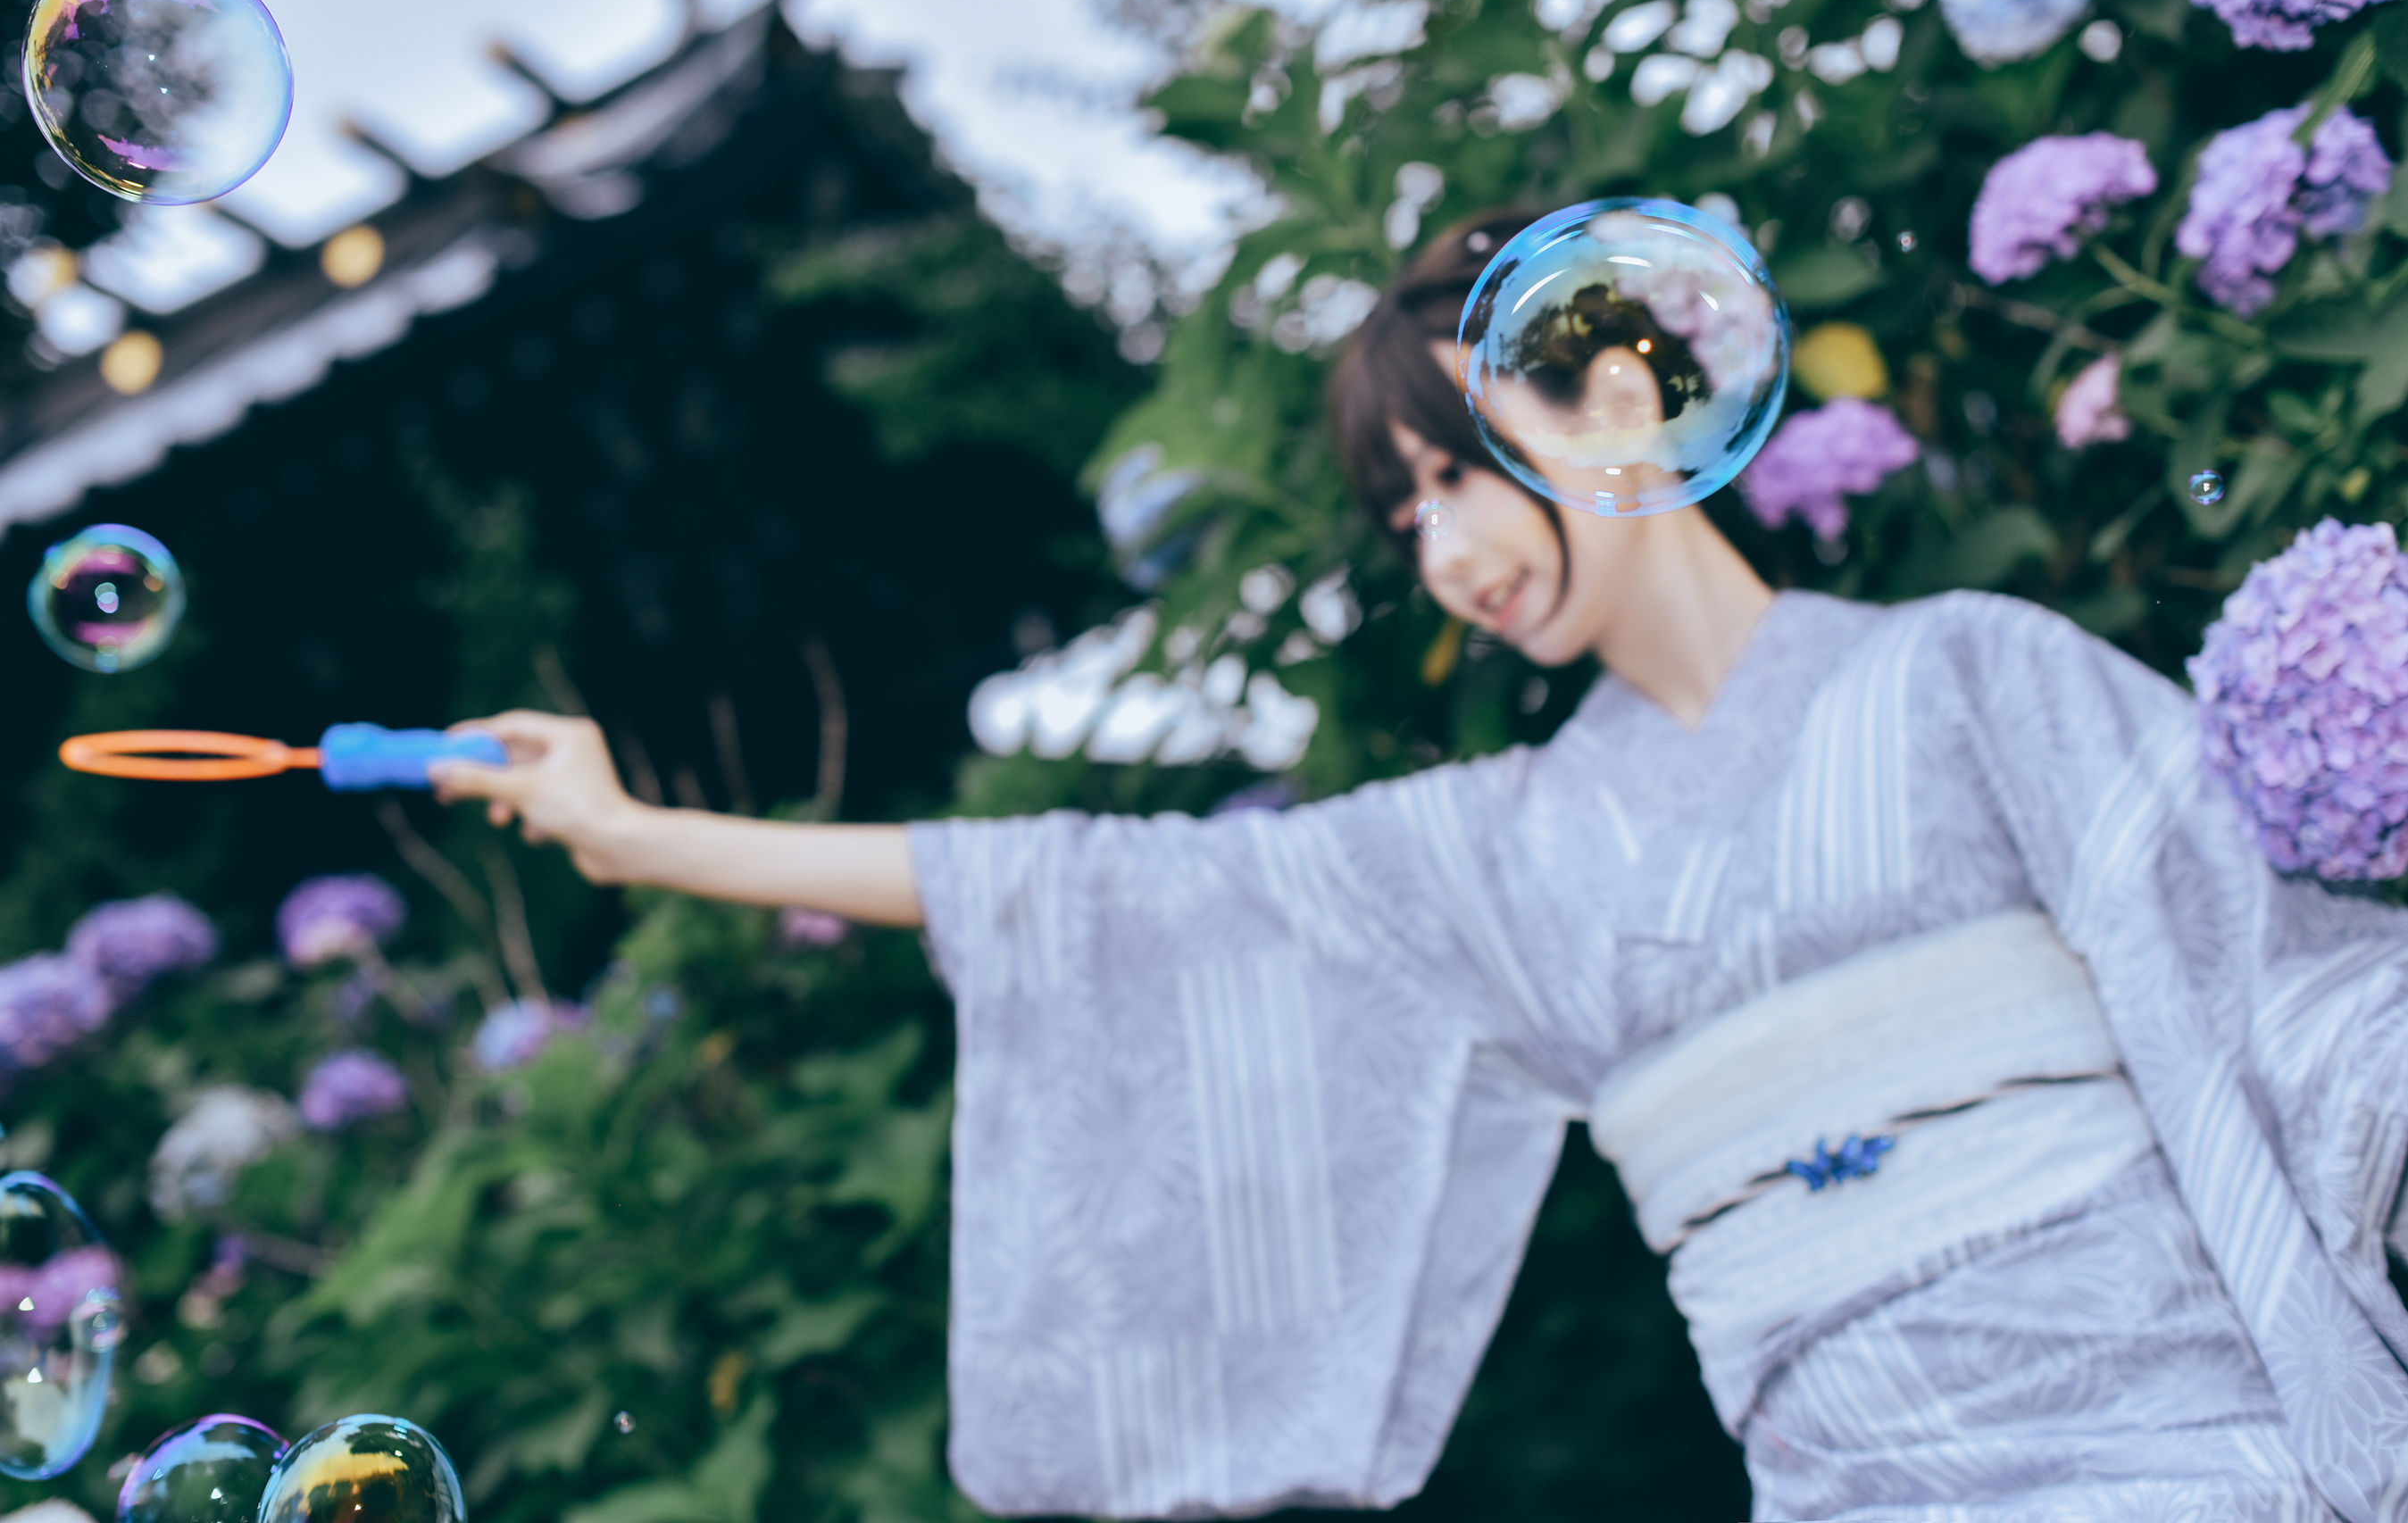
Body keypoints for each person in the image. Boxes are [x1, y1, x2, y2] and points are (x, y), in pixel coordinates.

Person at [429, 212, 2408, 1523]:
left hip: (2187, 1435)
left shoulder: (1967, 672)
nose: (1444, 552)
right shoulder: (1493, 848)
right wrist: (634, 835)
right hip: (1852, 1478)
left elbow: (2258, 977)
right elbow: (1094, 891)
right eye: (1401, 520)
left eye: (1458, 471)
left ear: (1616, 396)